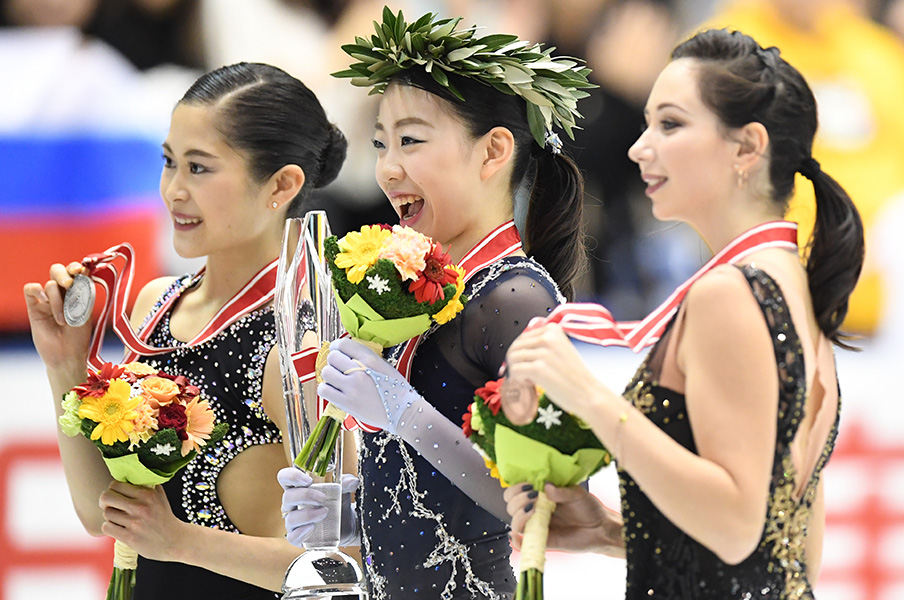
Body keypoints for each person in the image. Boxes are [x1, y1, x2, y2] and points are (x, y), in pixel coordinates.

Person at [501, 28, 863, 599]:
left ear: (747, 147)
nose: (638, 148)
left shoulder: (730, 294)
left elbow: (737, 528)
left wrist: (590, 397)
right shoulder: (792, 280)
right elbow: (787, 552)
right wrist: (611, 533)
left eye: (670, 125)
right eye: (647, 124)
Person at [278, 9, 589, 599]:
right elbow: (435, 498)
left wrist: (404, 412)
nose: (387, 168)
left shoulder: (516, 298)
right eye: (380, 143)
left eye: (411, 140)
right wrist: (350, 515)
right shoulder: (416, 296)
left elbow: (555, 508)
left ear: (493, 151)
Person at [23, 62, 348, 599]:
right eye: (169, 162)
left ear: (281, 184)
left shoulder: (299, 345)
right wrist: (65, 365)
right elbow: (101, 515)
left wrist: (179, 541)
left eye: (199, 168)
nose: (173, 190)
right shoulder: (155, 305)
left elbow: (343, 565)